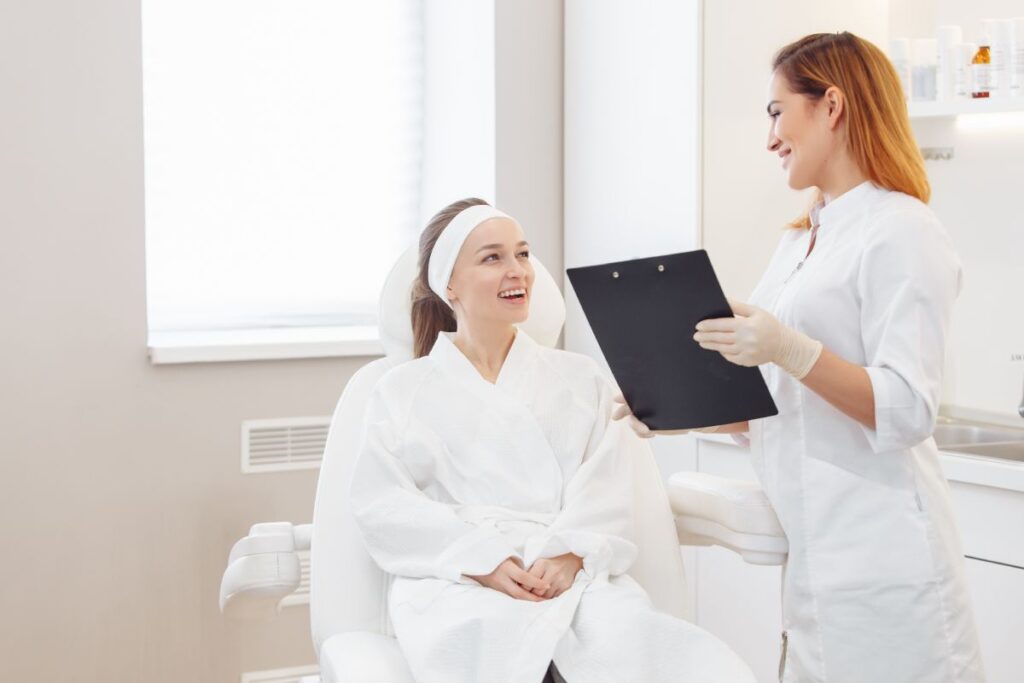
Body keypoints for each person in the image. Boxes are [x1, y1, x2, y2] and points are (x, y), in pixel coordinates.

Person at [615, 32, 984, 682]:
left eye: (776, 111)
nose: (770, 137)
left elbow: (907, 407)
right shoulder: (800, 244)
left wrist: (790, 347)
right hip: (814, 569)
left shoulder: (903, 229)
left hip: (887, 567)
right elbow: (773, 407)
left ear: (832, 105)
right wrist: (671, 409)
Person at [350, 198, 755, 683]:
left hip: (568, 573)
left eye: (522, 254)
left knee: (649, 651)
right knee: (488, 644)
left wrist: (569, 552)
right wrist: (480, 559)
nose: (517, 270)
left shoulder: (580, 378)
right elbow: (382, 503)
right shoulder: (399, 391)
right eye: (493, 257)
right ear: (448, 285)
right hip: (457, 580)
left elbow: (609, 481)